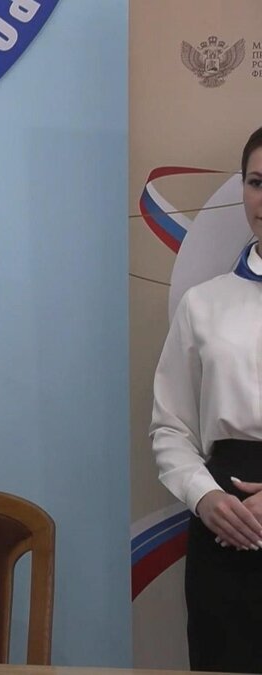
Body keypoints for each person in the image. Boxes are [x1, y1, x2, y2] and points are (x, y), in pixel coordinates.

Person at [151, 126, 262, 673]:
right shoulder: (203, 304)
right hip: (226, 519)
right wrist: (204, 497)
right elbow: (170, 427)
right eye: (258, 182)